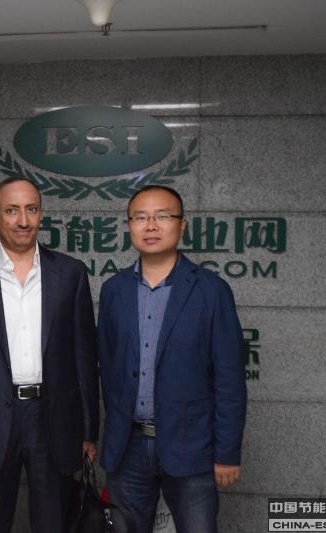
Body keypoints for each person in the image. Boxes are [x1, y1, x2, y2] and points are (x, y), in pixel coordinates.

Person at [0, 177, 99, 533]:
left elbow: (84, 358)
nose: (23, 220)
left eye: (31, 209)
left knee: (54, 523)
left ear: (41, 215)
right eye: (11, 210)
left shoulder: (69, 273)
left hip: (53, 419)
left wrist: (89, 430)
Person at [97, 185, 247, 533]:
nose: (150, 225)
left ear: (182, 225)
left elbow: (229, 379)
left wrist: (227, 452)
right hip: (127, 447)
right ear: (129, 226)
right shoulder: (114, 290)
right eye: (140, 217)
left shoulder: (211, 290)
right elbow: (108, 367)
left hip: (192, 445)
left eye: (162, 216)